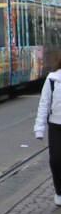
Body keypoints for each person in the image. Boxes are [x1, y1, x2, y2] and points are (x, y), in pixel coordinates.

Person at [33, 61, 61, 206]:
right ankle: (59, 191)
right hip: (56, 125)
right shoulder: (52, 79)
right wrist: (39, 128)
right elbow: (44, 103)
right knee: (55, 160)